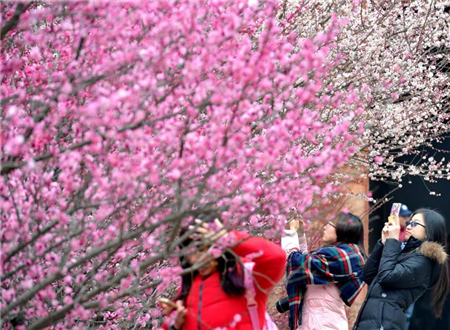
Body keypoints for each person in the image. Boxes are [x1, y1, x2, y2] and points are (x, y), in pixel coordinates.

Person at [160, 214, 286, 330]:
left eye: (202, 249)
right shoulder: (185, 292)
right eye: (190, 252)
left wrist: (230, 239)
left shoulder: (246, 276)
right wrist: (174, 326)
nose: (195, 260)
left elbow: (276, 257)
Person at [353, 208, 449, 330]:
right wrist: (383, 243)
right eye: (409, 222)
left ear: (428, 232)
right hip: (374, 322)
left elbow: (386, 277)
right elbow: (368, 276)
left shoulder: (423, 261)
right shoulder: (406, 253)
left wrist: (392, 241)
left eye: (415, 223)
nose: (408, 226)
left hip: (384, 324)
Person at [282, 212, 366, 330]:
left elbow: (297, 264)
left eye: (330, 224)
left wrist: (290, 233)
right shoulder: (345, 257)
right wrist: (300, 234)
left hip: (320, 323)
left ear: (342, 230)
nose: (325, 226)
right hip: (322, 320)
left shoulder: (341, 258)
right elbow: (309, 267)